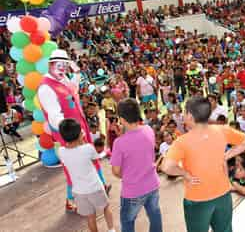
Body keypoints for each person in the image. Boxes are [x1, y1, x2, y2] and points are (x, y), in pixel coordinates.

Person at [162, 96, 245, 232]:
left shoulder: (181, 142)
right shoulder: (221, 130)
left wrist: (185, 174)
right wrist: (226, 156)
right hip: (223, 195)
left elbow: (166, 167)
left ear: (190, 116)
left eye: (185, 112)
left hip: (198, 199)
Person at [38, 49, 108, 212]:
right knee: (74, 167)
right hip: (68, 133)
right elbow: (54, 115)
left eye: (65, 65)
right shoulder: (46, 88)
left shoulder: (64, 79)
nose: (63, 69)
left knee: (91, 159)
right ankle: (71, 200)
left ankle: (101, 184)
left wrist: (76, 70)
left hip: (80, 129)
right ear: (50, 64)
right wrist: (72, 131)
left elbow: (74, 87)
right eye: (59, 65)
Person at [110, 98, 163, 232]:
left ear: (121, 119)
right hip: (152, 184)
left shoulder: (119, 143)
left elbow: (116, 171)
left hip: (133, 190)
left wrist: (128, 174)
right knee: (155, 215)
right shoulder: (148, 130)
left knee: (127, 221)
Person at [58, 119, 115, 232]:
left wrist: (80, 140)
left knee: (90, 216)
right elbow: (96, 158)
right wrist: (106, 151)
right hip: (94, 188)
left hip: (79, 192)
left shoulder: (61, 151)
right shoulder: (88, 148)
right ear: (79, 134)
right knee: (106, 207)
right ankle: (111, 229)